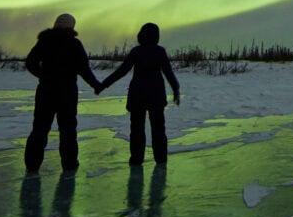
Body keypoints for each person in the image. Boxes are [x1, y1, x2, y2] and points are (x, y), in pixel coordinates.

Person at [24, 13, 102, 172]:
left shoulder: (44, 42)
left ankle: (32, 165)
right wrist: (96, 84)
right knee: (68, 130)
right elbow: (84, 69)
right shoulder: (74, 44)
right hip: (67, 93)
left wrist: (44, 76)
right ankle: (70, 164)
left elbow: (30, 62)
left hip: (46, 91)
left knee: (40, 128)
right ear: (71, 26)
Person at [100, 23, 181, 165]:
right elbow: (168, 73)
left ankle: (136, 159)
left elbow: (122, 71)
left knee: (137, 130)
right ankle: (161, 159)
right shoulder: (159, 51)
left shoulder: (136, 51)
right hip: (156, 95)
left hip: (138, 95)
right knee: (158, 130)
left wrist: (104, 84)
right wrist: (176, 89)